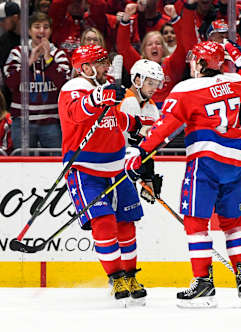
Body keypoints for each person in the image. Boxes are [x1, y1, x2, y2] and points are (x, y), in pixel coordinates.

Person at [124, 40, 241, 308]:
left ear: (200, 63)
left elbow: (164, 128)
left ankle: (203, 284)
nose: (190, 64)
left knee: (195, 222)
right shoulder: (234, 81)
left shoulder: (187, 89)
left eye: (193, 60)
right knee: (234, 224)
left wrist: (140, 152)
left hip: (205, 164)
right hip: (236, 164)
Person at [57, 44, 160, 305]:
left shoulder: (109, 89)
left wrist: (135, 125)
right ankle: (115, 277)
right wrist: (97, 98)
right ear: (86, 67)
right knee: (103, 222)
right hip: (85, 169)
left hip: (116, 167)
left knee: (126, 223)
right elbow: (76, 113)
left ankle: (130, 274)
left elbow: (114, 119)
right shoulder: (74, 88)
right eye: (101, 62)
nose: (107, 66)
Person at [4, 12, 71, 154]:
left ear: (51, 31)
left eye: (46, 27)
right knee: (20, 164)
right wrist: (28, 62)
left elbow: (64, 85)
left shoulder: (58, 54)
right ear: (29, 31)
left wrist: (48, 60)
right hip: (22, 121)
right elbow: (10, 83)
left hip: (51, 121)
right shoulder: (18, 53)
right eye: (37, 26)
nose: (42, 31)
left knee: (56, 163)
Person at [120, 59, 164, 204]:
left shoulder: (151, 107)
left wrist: (148, 178)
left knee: (130, 217)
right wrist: (146, 176)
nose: (154, 88)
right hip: (114, 164)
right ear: (137, 79)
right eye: (150, 83)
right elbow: (134, 143)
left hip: (128, 165)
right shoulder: (126, 100)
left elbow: (147, 146)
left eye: (156, 84)